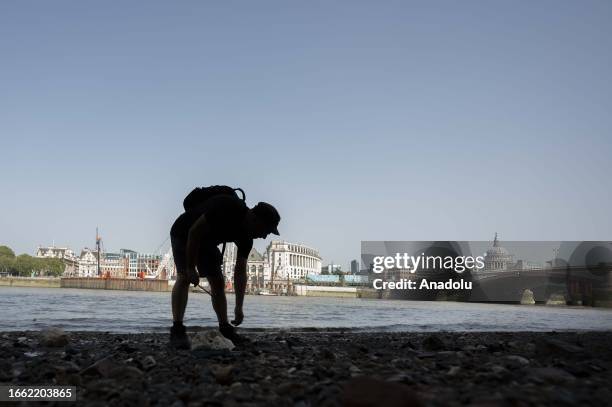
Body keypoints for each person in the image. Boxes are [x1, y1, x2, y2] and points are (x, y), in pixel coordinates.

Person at [169, 194, 280, 349]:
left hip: (207, 241)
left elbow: (240, 272)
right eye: (266, 230)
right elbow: (194, 232)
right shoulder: (229, 207)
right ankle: (177, 330)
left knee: (217, 280)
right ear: (256, 219)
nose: (264, 236)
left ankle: (225, 328)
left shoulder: (247, 238)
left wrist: (239, 308)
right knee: (184, 277)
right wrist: (190, 267)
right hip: (184, 232)